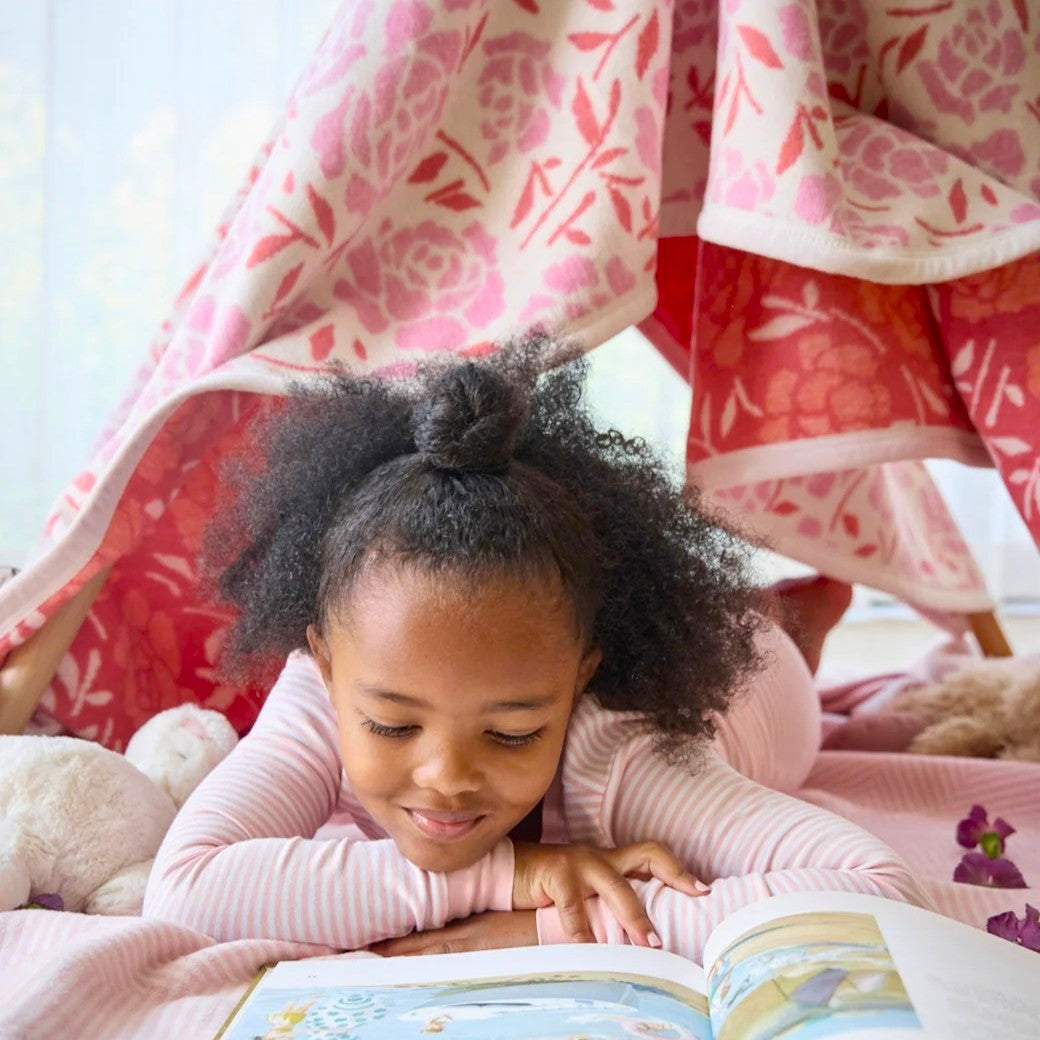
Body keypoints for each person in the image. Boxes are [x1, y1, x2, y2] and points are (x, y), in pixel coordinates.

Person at [142, 337, 923, 961]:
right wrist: (512, 876)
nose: (446, 777)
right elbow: (186, 889)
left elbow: (880, 889)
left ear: (578, 682)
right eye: (390, 725)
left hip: (760, 681)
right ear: (326, 660)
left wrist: (549, 926)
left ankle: (796, 622)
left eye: (513, 733)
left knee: (761, 639)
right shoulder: (321, 687)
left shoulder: (620, 759)